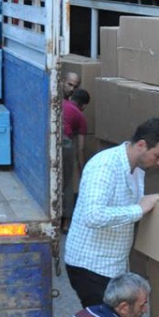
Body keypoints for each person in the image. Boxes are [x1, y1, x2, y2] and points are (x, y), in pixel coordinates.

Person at [62, 116, 159, 310]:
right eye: (158, 155)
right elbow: (93, 215)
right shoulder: (104, 166)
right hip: (91, 266)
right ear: (142, 145)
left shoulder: (136, 169)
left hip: (112, 264)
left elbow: (130, 206)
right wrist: (139, 209)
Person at [60, 84, 90, 228]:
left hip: (50, 138)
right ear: (84, 106)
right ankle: (66, 222)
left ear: (71, 97)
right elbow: (80, 149)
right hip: (65, 142)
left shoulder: (59, 102)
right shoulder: (80, 116)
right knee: (68, 182)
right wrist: (84, 171)